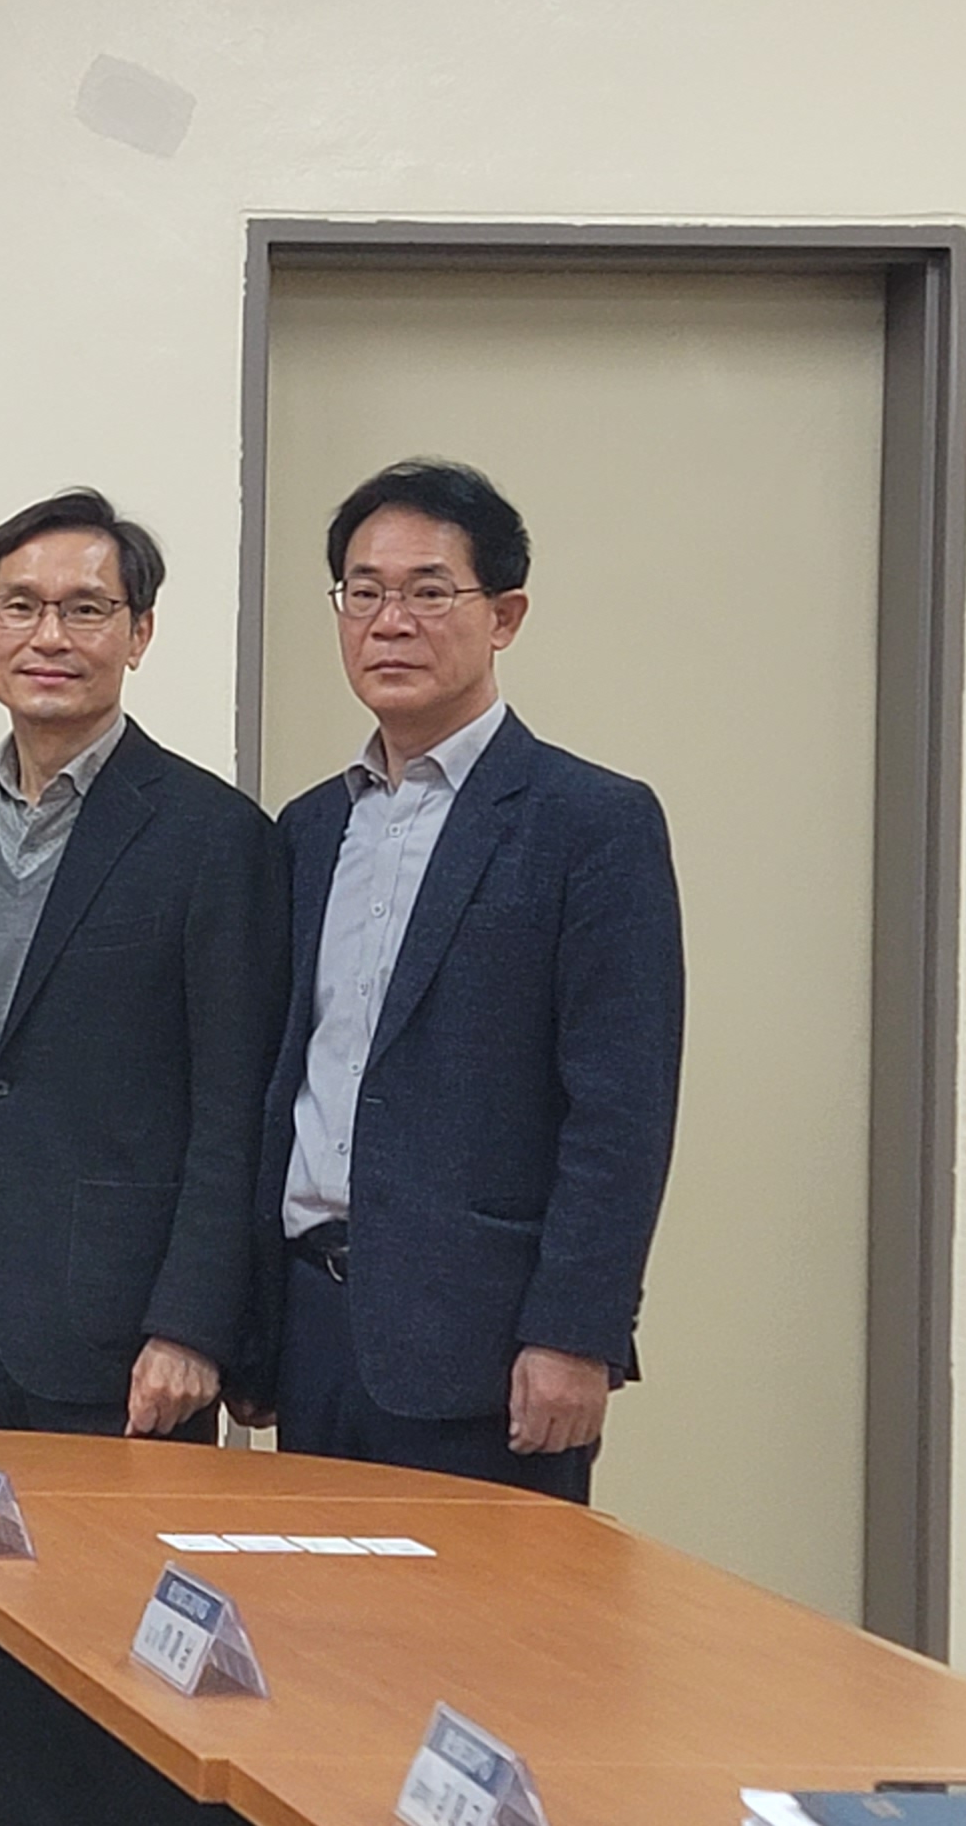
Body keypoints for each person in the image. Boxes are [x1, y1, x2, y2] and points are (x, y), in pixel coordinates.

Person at [236, 459, 683, 1502]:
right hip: (313, 1325)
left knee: (477, 1613)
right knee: (309, 1604)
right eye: (363, 590)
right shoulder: (309, 828)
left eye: (429, 590)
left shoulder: (590, 824)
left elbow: (620, 1110)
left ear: (504, 615)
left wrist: (575, 1332)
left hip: (489, 1345)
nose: (390, 621)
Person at [0, 489, 284, 1441]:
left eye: (85, 609)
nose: (50, 636)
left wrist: (193, 1325)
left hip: (130, 1333)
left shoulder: (214, 837)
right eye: (20, 606)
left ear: (139, 633)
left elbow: (235, 1107)